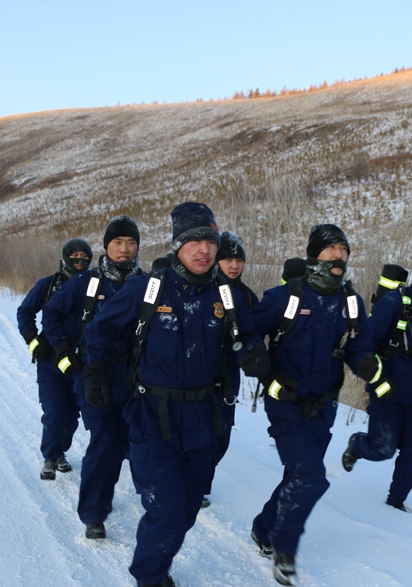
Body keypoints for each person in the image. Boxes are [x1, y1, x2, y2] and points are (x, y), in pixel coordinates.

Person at [83, 203, 264, 587]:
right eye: (194, 240)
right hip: (153, 418)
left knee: (185, 511)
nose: (204, 249)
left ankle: (157, 557)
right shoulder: (147, 290)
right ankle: (149, 577)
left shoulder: (226, 294)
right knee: (165, 511)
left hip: (203, 420)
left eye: (210, 241)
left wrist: (253, 352)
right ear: (177, 245)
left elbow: (246, 335)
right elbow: (100, 330)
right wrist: (96, 373)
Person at [249, 224, 381, 587]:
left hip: (324, 406)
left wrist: (366, 363)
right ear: (314, 254)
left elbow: (359, 345)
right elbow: (247, 333)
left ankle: (263, 528)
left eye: (343, 249)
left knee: (298, 476)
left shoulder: (351, 302)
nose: (338, 255)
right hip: (285, 404)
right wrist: (256, 360)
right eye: (330, 249)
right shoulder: (284, 298)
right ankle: (284, 551)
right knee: (310, 477)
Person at [42, 215, 143, 540]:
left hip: (138, 378)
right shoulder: (88, 282)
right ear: (107, 246)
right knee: (105, 442)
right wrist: (63, 352)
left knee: (140, 443)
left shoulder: (149, 284)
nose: (124, 250)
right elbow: (53, 313)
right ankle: (94, 514)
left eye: (130, 243)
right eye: (118, 243)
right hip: (93, 376)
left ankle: (157, 509)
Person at [341, 250, 412, 513]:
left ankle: (395, 501)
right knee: (383, 448)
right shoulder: (393, 302)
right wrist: (376, 381)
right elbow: (366, 343)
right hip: (388, 387)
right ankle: (356, 444)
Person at [16, 238, 92, 480]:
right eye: (74, 256)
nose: (79, 261)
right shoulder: (48, 285)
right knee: (55, 411)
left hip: (79, 362)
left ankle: (61, 451)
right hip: (50, 361)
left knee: (71, 414)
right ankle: (50, 457)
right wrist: (32, 340)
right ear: (64, 258)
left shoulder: (94, 288)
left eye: (84, 257)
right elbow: (25, 311)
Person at [204, 230, 259, 508]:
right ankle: (192, 484)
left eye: (239, 260)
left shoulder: (247, 297)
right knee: (196, 435)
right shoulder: (204, 288)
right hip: (198, 375)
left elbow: (257, 334)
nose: (234, 265)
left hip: (228, 379)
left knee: (221, 437)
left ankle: (200, 483)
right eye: (227, 259)